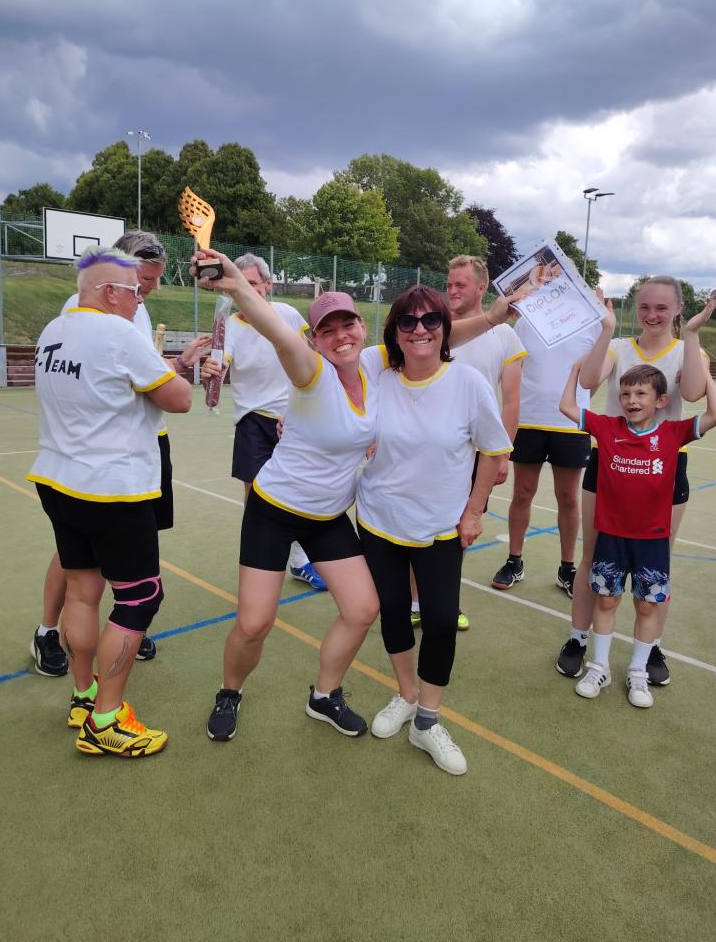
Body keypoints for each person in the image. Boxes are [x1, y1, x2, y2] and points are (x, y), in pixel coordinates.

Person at [195, 249, 521, 744]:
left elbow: (430, 340)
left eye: (348, 325)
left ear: (363, 330)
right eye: (327, 330)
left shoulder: (373, 363)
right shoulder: (311, 371)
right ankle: (230, 691)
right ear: (315, 339)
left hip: (329, 516)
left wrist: (493, 318)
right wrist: (239, 285)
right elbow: (279, 333)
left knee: (363, 609)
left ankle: (324, 695)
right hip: (275, 510)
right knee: (255, 622)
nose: (340, 336)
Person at [27, 247, 192, 756]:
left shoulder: (53, 330)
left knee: (82, 592)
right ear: (108, 292)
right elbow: (180, 399)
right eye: (134, 291)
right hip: (112, 488)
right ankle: (106, 721)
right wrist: (181, 370)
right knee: (140, 597)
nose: (139, 299)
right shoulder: (118, 334)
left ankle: (84, 696)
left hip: (58, 478)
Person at [357, 286, 512, 775]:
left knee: (442, 621)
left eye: (431, 321)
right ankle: (406, 695)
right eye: (408, 321)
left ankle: (427, 719)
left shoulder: (467, 382)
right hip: (379, 519)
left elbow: (494, 449)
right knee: (394, 614)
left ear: (446, 329)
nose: (420, 330)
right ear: (394, 332)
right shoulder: (375, 373)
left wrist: (474, 510)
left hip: (442, 525)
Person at [554, 279, 716, 683]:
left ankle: (651, 645)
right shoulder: (618, 346)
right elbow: (589, 381)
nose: (652, 315)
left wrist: (691, 335)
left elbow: (693, 393)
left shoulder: (689, 348)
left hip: (664, 466)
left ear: (678, 308)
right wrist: (606, 328)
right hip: (611, 462)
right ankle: (578, 638)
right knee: (592, 555)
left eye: (662, 307)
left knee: (658, 561)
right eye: (644, 306)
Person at [418, 254, 525, 632]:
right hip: (426, 443)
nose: (452, 290)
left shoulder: (506, 336)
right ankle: (415, 602)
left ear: (482, 288)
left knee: (460, 528)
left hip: (475, 451)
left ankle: (444, 602)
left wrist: (503, 454)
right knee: (418, 522)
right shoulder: (433, 327)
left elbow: (511, 400)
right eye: (449, 284)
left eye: (460, 285)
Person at [223, 253, 326, 591]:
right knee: (257, 497)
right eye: (240, 283)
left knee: (298, 490)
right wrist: (212, 369)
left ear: (267, 285)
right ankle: (257, 568)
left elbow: (314, 351)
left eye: (252, 283)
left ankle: (299, 561)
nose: (246, 290)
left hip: (293, 418)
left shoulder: (288, 314)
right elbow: (220, 364)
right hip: (252, 420)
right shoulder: (229, 325)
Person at [490, 304, 601, 598]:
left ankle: (567, 568)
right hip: (529, 419)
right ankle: (514, 561)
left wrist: (576, 402)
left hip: (570, 423)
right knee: (522, 492)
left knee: (568, 497)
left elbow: (593, 379)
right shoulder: (527, 319)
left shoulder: (591, 321)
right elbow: (516, 367)